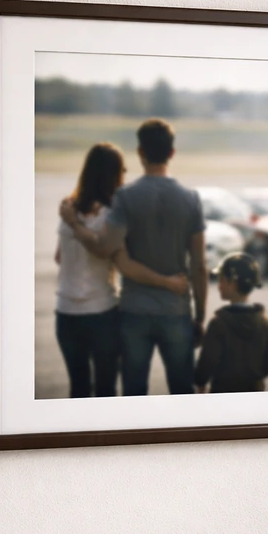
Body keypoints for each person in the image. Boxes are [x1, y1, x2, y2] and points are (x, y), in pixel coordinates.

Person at [60, 119, 208, 396]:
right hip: (176, 312)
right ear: (172, 153)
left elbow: (105, 248)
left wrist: (74, 224)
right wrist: (200, 316)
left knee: (134, 393)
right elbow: (199, 266)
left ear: (140, 152)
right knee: (182, 391)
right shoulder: (191, 199)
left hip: (134, 313)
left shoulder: (125, 197)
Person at [194, 253, 268, 393]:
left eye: (221, 280)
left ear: (232, 284)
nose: (218, 286)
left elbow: (208, 360)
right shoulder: (265, 324)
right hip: (254, 390)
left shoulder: (218, 324)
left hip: (223, 391)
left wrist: (200, 382)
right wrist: (255, 376)